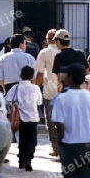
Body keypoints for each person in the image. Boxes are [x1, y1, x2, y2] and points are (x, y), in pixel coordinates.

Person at [5, 66, 42, 171]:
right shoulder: (35, 88)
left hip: (20, 118)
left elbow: (7, 100)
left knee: (22, 138)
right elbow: (39, 102)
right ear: (32, 76)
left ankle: (22, 160)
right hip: (33, 118)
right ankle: (28, 160)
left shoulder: (16, 87)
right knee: (31, 140)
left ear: (21, 75)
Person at [35, 29, 60, 159]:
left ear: (47, 39)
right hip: (65, 91)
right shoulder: (66, 52)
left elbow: (39, 73)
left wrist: (34, 88)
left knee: (51, 120)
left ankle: (55, 148)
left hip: (49, 92)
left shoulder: (44, 53)